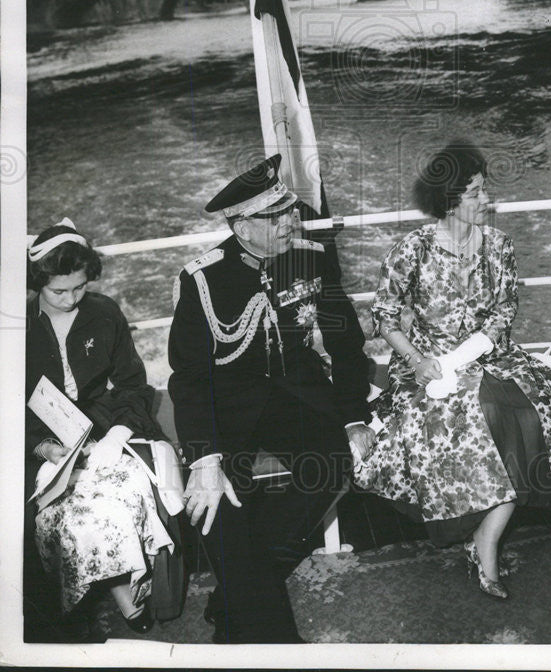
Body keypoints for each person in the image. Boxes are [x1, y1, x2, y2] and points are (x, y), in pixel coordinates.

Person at [353, 142, 551, 599]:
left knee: (538, 416)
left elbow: (505, 310)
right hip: (428, 365)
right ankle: (484, 545)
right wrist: (421, 361)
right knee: (480, 418)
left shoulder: (500, 245)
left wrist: (474, 350)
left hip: (493, 356)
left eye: (485, 191)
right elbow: (386, 318)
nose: (486, 201)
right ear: (448, 199)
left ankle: (486, 536)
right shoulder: (412, 250)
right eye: (475, 194)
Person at [168, 154, 374, 643]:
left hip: (295, 398)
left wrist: (352, 418)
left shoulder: (311, 258)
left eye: (290, 210)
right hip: (227, 409)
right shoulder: (203, 278)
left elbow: (346, 345)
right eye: (275, 216)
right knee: (218, 509)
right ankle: (269, 635)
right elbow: (190, 376)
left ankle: (236, 597)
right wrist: (204, 458)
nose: (290, 222)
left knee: (330, 466)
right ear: (241, 226)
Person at [25, 219, 172, 641]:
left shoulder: (104, 312)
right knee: (62, 511)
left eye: (80, 287)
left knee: (119, 495)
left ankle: (119, 588)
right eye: (59, 291)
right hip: (35, 435)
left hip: (98, 424)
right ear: (38, 283)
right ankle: (100, 597)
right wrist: (41, 449)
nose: (71, 299)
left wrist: (119, 434)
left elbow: (133, 385)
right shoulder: (16, 327)